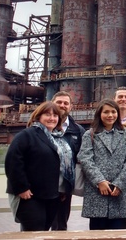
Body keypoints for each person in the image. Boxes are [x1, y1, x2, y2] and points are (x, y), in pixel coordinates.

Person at [5, 102, 70, 231]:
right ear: (38, 116)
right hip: (30, 196)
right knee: (34, 231)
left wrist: (63, 187)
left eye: (55, 115)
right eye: (47, 114)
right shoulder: (27, 135)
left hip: (52, 195)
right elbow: (13, 161)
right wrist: (21, 188)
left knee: (44, 230)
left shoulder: (58, 139)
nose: (52, 118)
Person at [78, 99, 126, 230]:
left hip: (118, 192)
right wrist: (99, 181)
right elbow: (85, 158)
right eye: (106, 112)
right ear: (100, 114)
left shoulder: (125, 134)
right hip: (97, 192)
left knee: (118, 232)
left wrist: (120, 183)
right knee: (97, 233)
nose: (110, 115)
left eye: (113, 112)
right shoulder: (90, 134)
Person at [50, 91, 86, 231]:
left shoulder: (78, 131)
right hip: (42, 185)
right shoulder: (41, 128)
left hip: (64, 188)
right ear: (52, 103)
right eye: (59, 102)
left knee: (60, 225)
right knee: (37, 224)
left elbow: (82, 157)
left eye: (66, 103)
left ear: (71, 107)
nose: (62, 105)